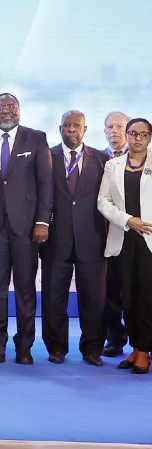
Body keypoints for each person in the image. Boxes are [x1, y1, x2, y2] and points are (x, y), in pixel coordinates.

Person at [0, 93, 53, 365]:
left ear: (19, 110)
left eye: (10, 106)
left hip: (27, 227)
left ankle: (24, 347)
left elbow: (45, 182)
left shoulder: (36, 138)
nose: (5, 111)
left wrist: (43, 221)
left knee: (26, 289)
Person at [40, 111, 109, 365]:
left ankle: (92, 349)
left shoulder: (102, 159)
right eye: (67, 125)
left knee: (94, 297)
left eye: (76, 126)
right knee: (53, 296)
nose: (71, 129)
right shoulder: (47, 156)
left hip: (92, 238)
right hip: (55, 239)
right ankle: (56, 347)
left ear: (85, 129)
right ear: (59, 128)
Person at [98, 118, 152, 375]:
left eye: (143, 134)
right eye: (133, 133)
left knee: (146, 298)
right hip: (123, 239)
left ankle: (144, 350)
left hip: (149, 240)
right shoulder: (112, 165)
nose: (137, 138)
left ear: (150, 138)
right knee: (126, 296)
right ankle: (135, 347)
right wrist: (129, 220)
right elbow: (103, 202)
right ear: (127, 135)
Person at [101, 111, 130, 358]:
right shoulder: (97, 159)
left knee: (138, 291)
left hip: (138, 235)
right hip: (106, 236)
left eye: (119, 126)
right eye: (109, 126)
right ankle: (115, 339)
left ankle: (143, 342)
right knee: (109, 291)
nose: (114, 131)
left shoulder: (144, 160)